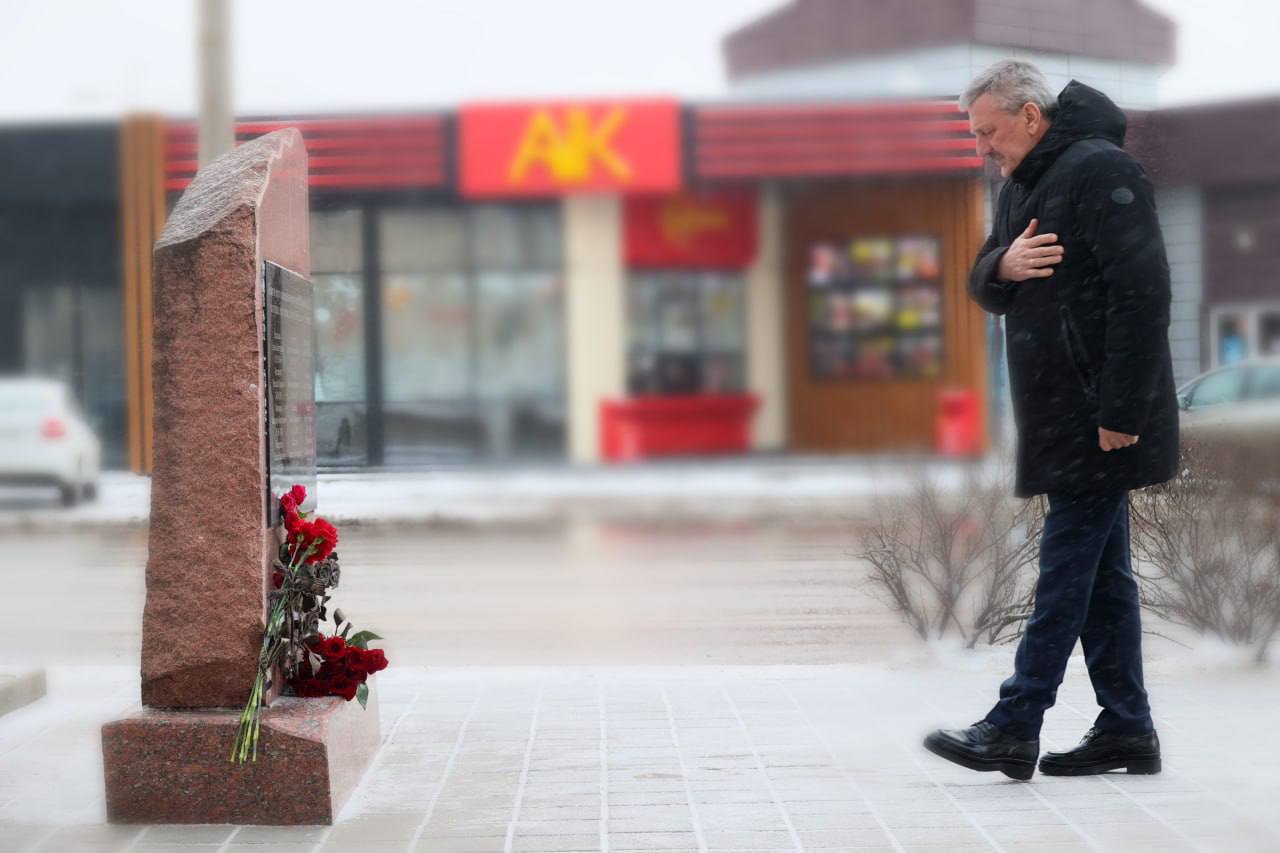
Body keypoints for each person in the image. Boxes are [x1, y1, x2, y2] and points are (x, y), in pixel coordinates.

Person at [923, 60, 1180, 780]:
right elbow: (983, 279)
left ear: (1030, 117)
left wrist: (1121, 411)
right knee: (1103, 582)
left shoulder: (1102, 171)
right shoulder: (1023, 184)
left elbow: (1143, 293)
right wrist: (1001, 266)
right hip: (1060, 416)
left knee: (1065, 575)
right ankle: (1127, 729)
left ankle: (1014, 723)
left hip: (1099, 417)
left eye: (988, 132)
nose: (982, 149)